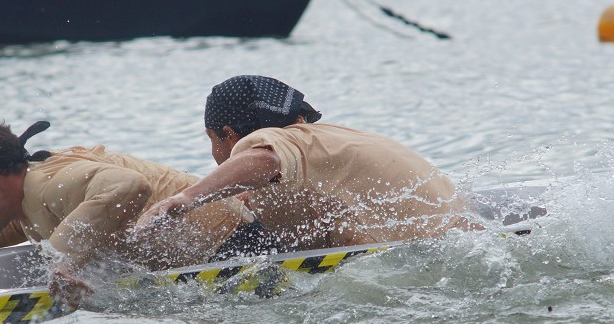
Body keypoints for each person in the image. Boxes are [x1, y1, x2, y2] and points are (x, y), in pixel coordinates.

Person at [0, 119, 274, 298]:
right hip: (223, 254)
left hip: (242, 249)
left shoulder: (52, 183)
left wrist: (61, 257)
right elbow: (23, 220)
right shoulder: (28, 191)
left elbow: (129, 186)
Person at [135, 75, 480, 250]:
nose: (214, 153)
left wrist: (185, 199)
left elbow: (263, 158)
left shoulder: (278, 142)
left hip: (416, 253)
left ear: (227, 133)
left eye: (211, 139)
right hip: (460, 238)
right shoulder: (333, 139)